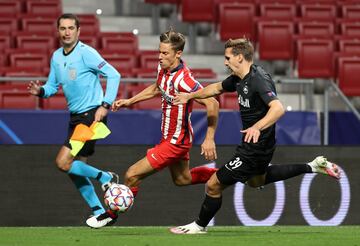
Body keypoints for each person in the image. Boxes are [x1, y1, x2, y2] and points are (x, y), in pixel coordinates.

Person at [169, 38, 341, 234]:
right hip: (262, 145)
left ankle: (199, 226)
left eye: (227, 58)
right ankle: (312, 166)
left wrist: (257, 127)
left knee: (213, 184)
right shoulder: (238, 78)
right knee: (256, 181)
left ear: (240, 57)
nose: (225, 62)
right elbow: (215, 88)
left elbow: (278, 108)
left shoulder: (259, 79)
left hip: (255, 148)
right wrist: (189, 96)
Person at [86, 29, 220, 228]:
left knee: (131, 174)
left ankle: (110, 215)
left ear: (178, 54)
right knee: (183, 179)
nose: (160, 56)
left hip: (176, 142)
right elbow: (157, 88)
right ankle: (230, 174)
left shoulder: (184, 79)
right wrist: (130, 100)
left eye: (165, 53)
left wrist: (209, 138)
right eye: (160, 51)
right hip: (171, 139)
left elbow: (213, 103)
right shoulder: (163, 69)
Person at [28, 13, 121, 227]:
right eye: (63, 28)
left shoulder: (86, 53)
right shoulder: (56, 57)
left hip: (91, 115)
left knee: (62, 162)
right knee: (74, 168)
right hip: (76, 117)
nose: (67, 32)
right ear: (58, 31)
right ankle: (100, 212)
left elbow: (114, 74)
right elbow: (52, 87)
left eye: (71, 28)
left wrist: (105, 105)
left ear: (78, 31)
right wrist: (41, 90)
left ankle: (106, 177)